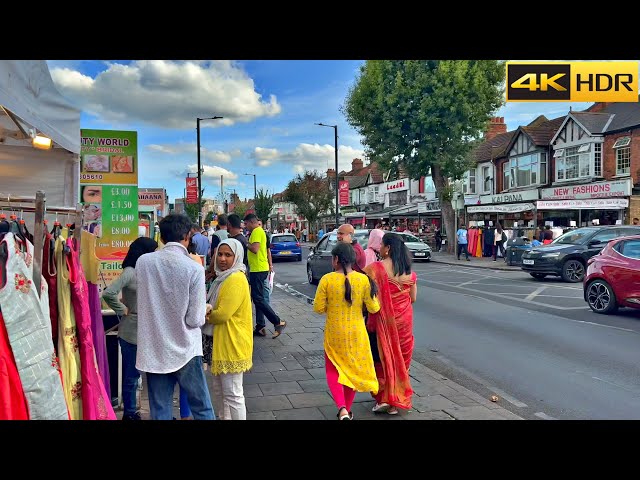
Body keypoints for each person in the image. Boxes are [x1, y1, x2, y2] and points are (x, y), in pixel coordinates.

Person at [135, 213, 215, 420]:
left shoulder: (143, 262)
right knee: (202, 408)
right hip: (186, 349)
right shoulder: (194, 269)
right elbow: (194, 319)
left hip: (154, 349)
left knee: (160, 410)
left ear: (161, 238)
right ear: (188, 236)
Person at [313, 242, 380, 420]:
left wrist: (333, 307)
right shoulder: (363, 280)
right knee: (351, 371)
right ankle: (346, 411)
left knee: (333, 370)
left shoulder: (327, 279)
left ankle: (342, 408)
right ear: (352, 259)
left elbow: (318, 308)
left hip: (334, 333)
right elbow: (374, 308)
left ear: (335, 260)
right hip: (357, 333)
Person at [101, 237, 158, 420]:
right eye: (153, 250)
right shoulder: (130, 272)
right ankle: (129, 413)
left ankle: (147, 411)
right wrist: (122, 309)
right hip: (131, 331)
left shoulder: (151, 271)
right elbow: (109, 293)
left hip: (149, 330)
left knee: (152, 374)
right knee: (131, 376)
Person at [364, 232, 417, 414]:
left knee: (381, 359)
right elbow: (413, 298)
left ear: (388, 248)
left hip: (383, 323)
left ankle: (384, 399)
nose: (379, 248)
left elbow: (365, 295)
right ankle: (395, 402)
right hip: (405, 322)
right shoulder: (409, 272)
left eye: (381, 245)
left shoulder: (375, 269)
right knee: (400, 359)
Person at [203, 238, 253, 420]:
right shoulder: (222, 278)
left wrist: (206, 313)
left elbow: (222, 314)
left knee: (232, 394)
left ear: (237, 257)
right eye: (220, 254)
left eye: (228, 255)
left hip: (232, 342)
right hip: (221, 342)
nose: (222, 259)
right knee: (221, 392)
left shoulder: (235, 279)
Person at [243, 213, 286, 338]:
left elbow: (255, 249)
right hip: (259, 269)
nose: (245, 227)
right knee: (258, 298)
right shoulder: (259, 231)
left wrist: (246, 243)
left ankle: (277, 321)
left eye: (246, 224)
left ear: (251, 222)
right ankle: (261, 326)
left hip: (258, 269)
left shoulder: (256, 231)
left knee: (258, 299)